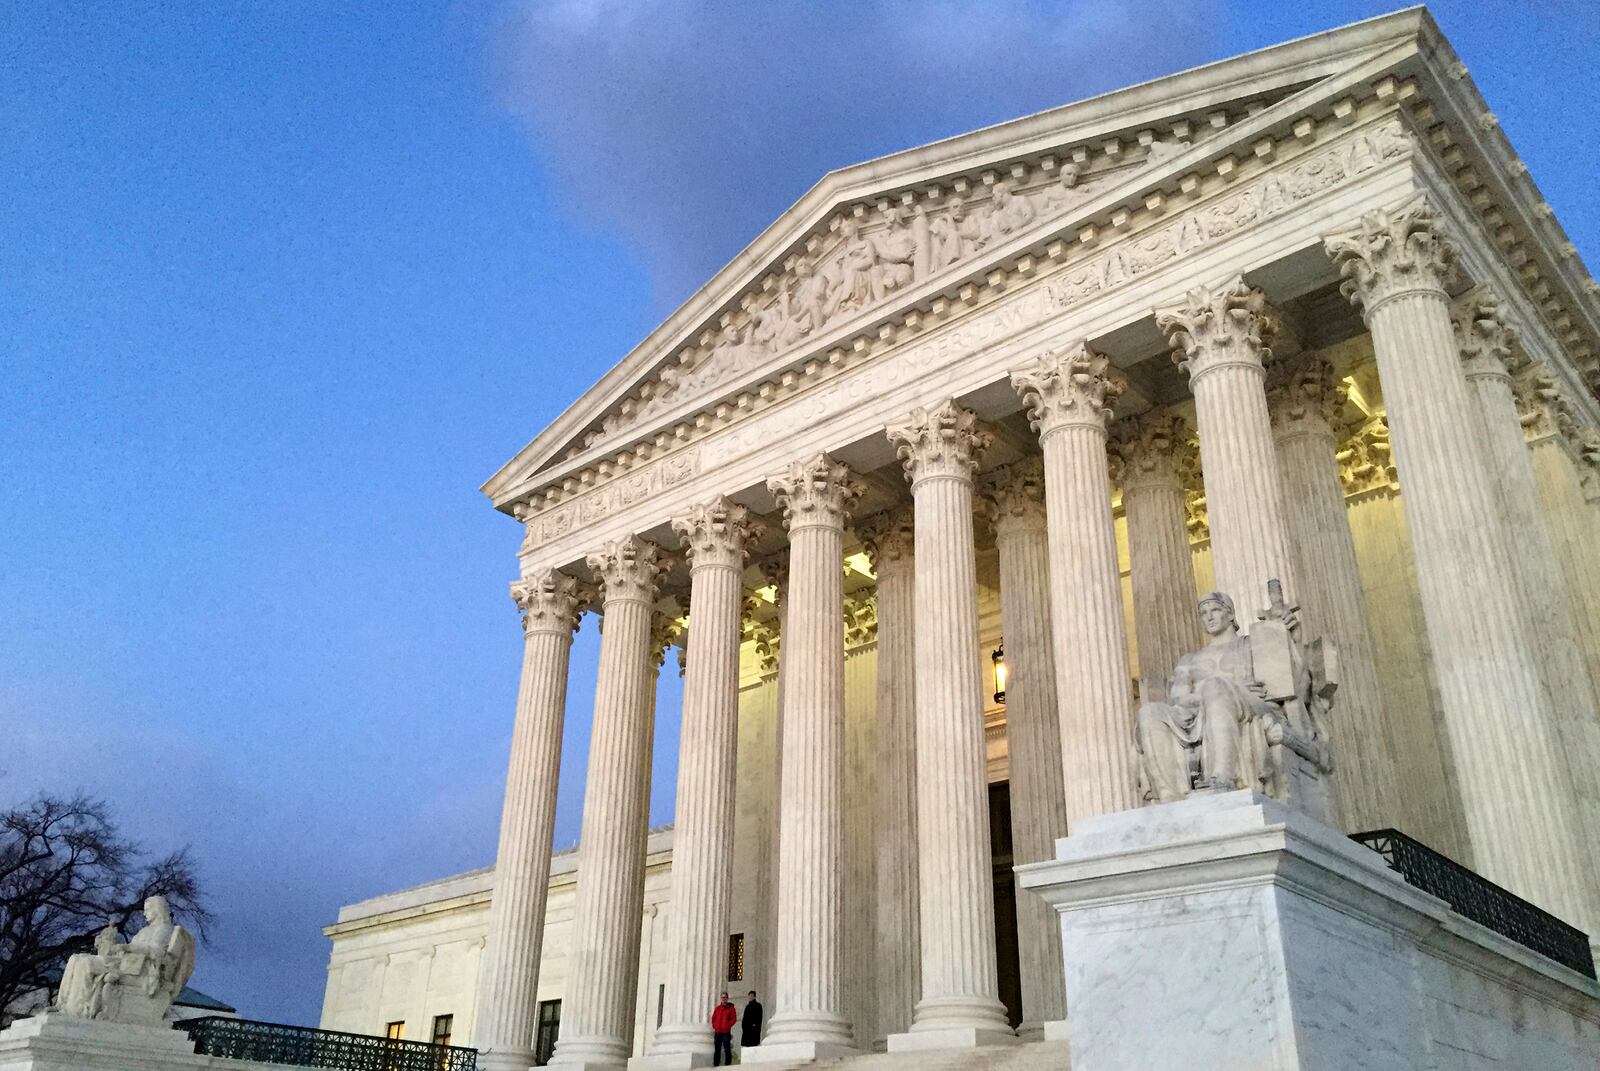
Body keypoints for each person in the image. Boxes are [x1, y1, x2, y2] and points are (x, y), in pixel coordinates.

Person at [710, 991, 737, 1066]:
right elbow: (713, 1018)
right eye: (722, 997)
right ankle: (716, 1064)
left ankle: (728, 1064)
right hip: (718, 1031)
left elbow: (733, 1019)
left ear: (727, 998)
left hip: (726, 1031)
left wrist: (727, 1026)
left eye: (725, 997)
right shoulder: (717, 1008)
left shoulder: (731, 1008)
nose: (723, 999)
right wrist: (714, 1026)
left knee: (727, 1048)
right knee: (717, 1049)